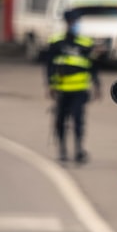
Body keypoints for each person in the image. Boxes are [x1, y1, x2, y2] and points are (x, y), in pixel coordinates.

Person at [46, 9, 100, 163]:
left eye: (75, 22)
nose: (74, 25)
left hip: (80, 89)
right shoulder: (56, 42)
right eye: (71, 22)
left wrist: (97, 85)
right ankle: (62, 150)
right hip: (61, 88)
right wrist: (49, 84)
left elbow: (92, 66)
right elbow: (49, 65)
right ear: (66, 23)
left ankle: (78, 149)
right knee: (61, 120)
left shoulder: (86, 43)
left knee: (78, 120)